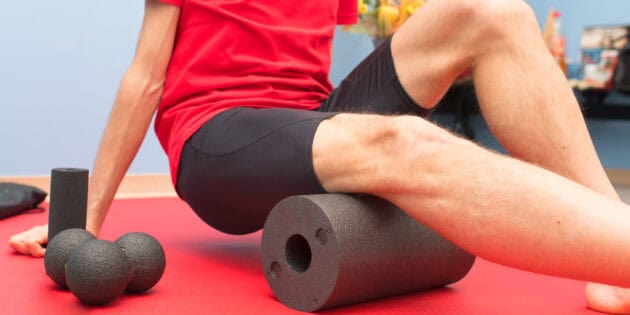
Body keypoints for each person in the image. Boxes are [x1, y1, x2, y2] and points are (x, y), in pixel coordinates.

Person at [8, 0, 630, 313]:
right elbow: (145, 77)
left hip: (307, 119)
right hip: (215, 137)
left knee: (491, 11)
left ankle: (611, 255)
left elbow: (306, 63)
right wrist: (86, 223)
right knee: (402, 142)